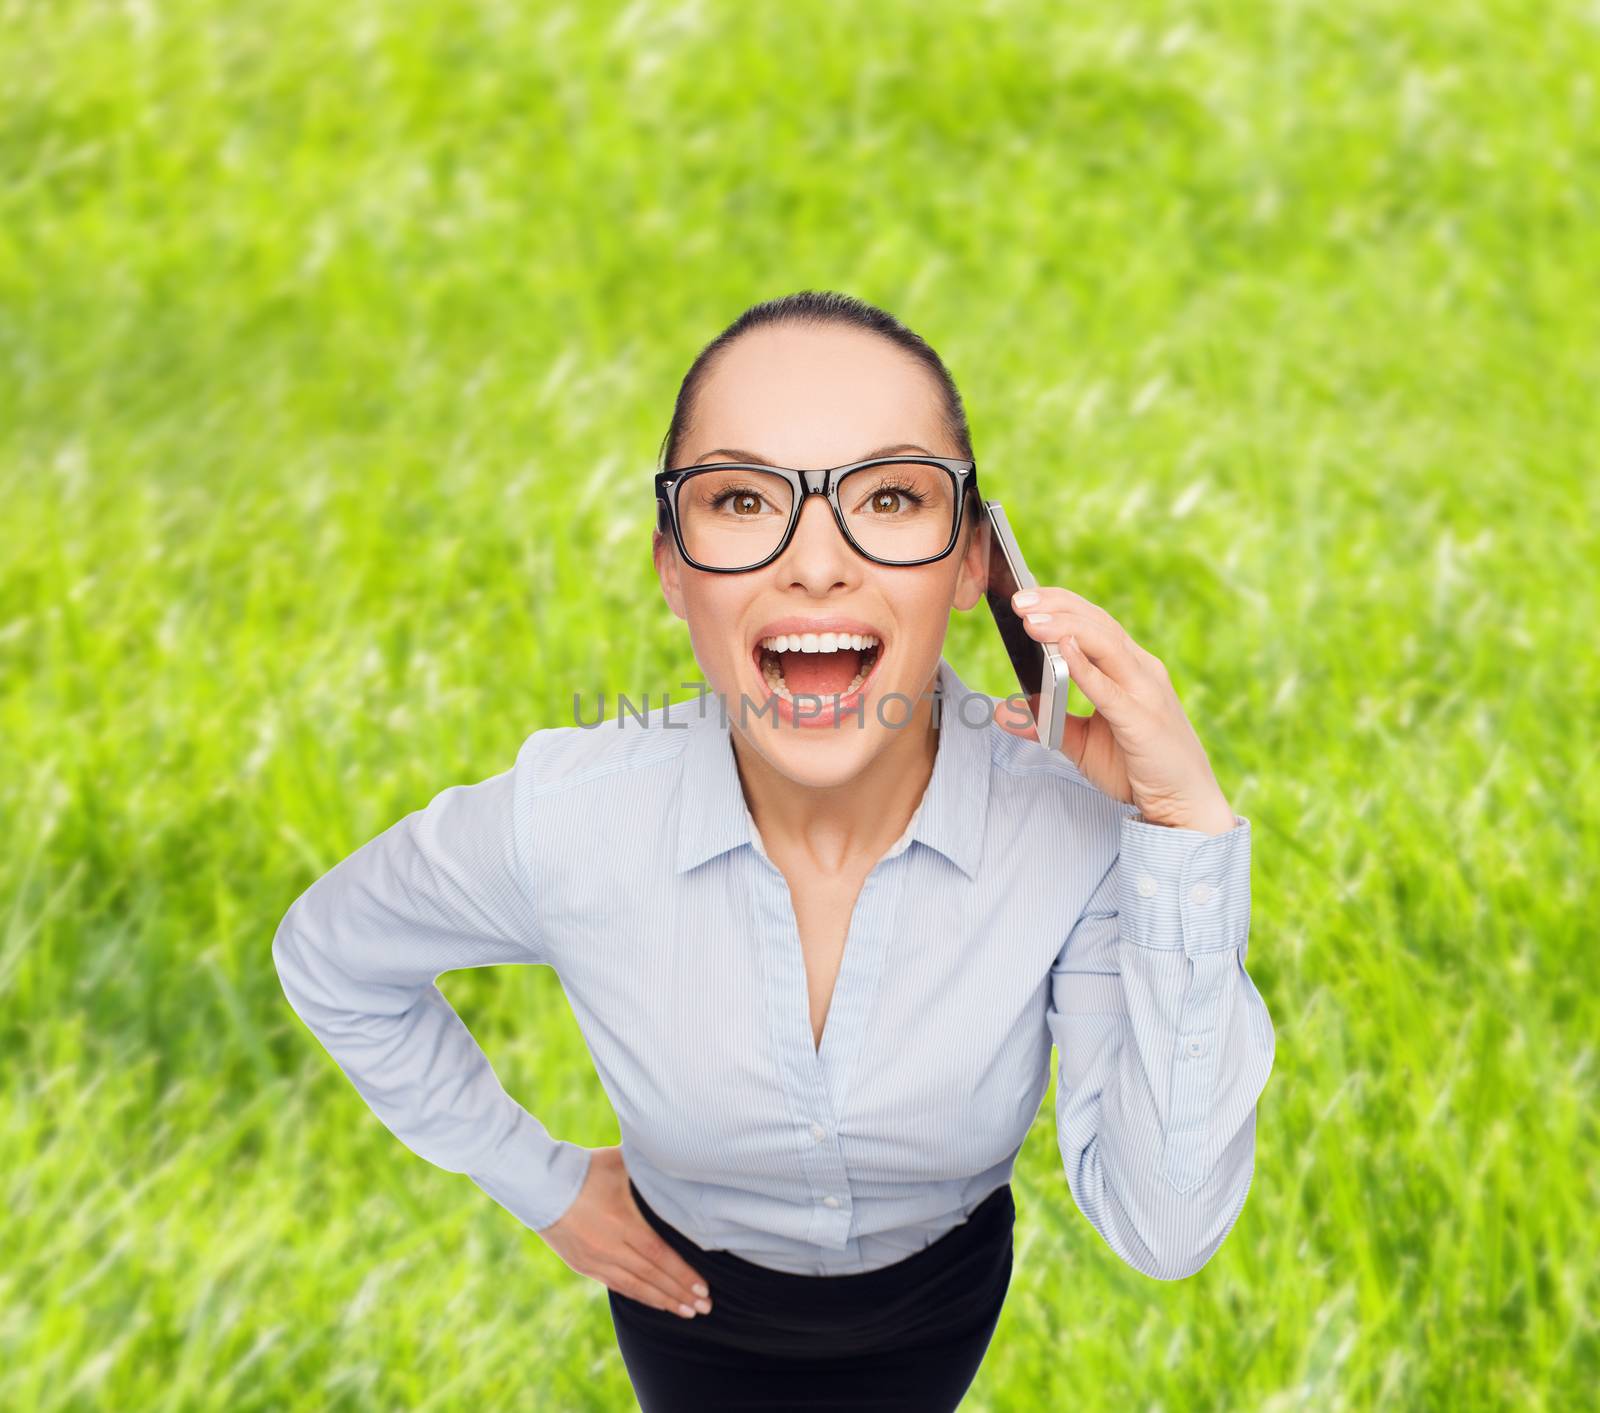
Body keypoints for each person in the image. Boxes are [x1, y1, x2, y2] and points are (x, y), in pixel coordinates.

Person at [272, 290, 1276, 1411]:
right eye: (744, 499)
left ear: (967, 567)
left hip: (938, 1299)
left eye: (889, 496)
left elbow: (1167, 1225)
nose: (814, 564)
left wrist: (1183, 832)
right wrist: (539, 1183)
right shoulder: (570, 817)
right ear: (671, 570)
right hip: (686, 1306)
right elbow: (332, 955)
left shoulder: (1075, 837)